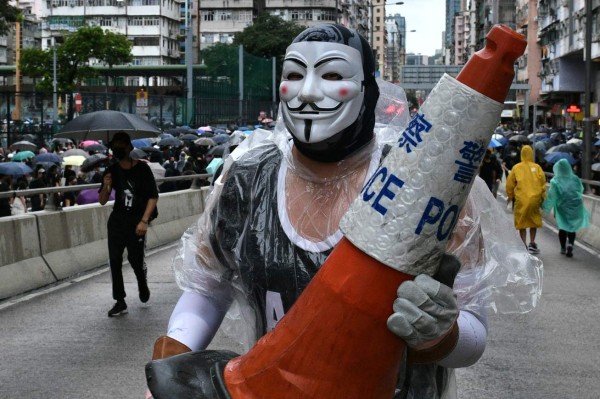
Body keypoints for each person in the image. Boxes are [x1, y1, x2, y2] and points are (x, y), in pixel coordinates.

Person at [148, 25, 541, 399]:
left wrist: (442, 334)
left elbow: (473, 334)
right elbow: (206, 287)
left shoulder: (427, 184)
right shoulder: (248, 179)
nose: (307, 93)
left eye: (332, 74)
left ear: (368, 88)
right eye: (295, 75)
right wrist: (174, 363)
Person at [99, 132, 158, 317]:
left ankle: (142, 282)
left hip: (136, 220)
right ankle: (120, 300)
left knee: (135, 259)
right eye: (114, 146)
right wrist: (107, 186)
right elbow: (102, 200)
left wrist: (144, 221)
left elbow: (153, 196)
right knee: (115, 261)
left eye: (120, 146)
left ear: (129, 148)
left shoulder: (142, 169)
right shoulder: (111, 171)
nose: (117, 149)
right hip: (117, 221)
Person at [542, 158, 590, 257]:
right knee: (572, 227)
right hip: (575, 206)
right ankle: (571, 244)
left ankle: (563, 248)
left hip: (562, 207)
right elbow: (581, 189)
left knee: (562, 226)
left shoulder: (555, 181)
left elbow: (552, 196)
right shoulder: (575, 178)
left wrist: (545, 207)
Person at [506, 145, 547, 253]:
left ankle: (523, 244)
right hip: (534, 199)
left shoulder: (516, 168)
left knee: (521, 222)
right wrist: (542, 197)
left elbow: (510, 184)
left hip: (521, 199)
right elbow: (543, 183)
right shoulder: (537, 167)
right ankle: (532, 243)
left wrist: (510, 196)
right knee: (533, 221)